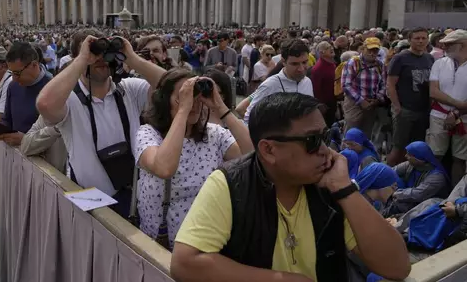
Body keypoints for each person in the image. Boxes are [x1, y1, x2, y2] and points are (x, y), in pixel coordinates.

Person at [171, 93, 410, 282]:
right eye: (312, 141)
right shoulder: (230, 184)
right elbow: (184, 264)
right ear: (269, 150)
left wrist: (346, 190)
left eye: (325, 137)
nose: (325, 150)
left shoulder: (331, 186)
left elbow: (397, 266)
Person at [37, 29, 167, 218]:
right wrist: (82, 60)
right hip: (89, 206)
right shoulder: (69, 101)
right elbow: (44, 103)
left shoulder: (128, 90)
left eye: (103, 53)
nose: (100, 59)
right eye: (92, 53)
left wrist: (132, 58)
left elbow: (172, 88)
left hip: (131, 198)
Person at [135, 69, 250, 248]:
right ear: (165, 101)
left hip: (206, 244)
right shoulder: (149, 134)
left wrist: (221, 108)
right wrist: (183, 111)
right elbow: (164, 168)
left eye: (197, 97)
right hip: (160, 248)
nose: (193, 104)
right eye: (184, 97)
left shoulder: (214, 134)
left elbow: (252, 154)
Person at [386, 27, 434, 166]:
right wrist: (397, 107)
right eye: (417, 38)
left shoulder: (429, 58)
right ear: (410, 40)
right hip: (405, 109)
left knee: (417, 148)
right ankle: (387, 177)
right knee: (399, 148)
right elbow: (391, 84)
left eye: (424, 38)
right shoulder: (400, 58)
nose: (420, 41)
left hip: (423, 110)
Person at [428, 30, 467, 186]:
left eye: (450, 44)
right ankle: (430, 188)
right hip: (439, 115)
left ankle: (453, 194)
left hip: (464, 119)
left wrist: (457, 113)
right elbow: (433, 91)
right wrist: (458, 106)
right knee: (434, 155)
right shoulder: (439, 63)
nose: (444, 46)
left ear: (462, 45)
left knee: (460, 158)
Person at [241, 39, 313, 124]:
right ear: (283, 62)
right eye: (294, 64)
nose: (301, 69)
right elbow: (249, 118)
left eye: (304, 62)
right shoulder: (270, 85)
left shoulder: (307, 82)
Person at [0, 42, 52, 147]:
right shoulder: (13, 86)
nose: (14, 77)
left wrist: (25, 140)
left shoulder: (53, 88)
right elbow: (7, 119)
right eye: (11, 72)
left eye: (17, 73)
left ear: (34, 65)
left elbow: (55, 133)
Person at [386, 141, 450, 217]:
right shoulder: (410, 165)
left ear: (419, 159)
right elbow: (390, 172)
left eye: (409, 155)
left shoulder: (437, 177)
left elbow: (418, 194)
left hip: (426, 206)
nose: (406, 156)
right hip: (409, 198)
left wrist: (395, 193)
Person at [341, 37, 386, 137]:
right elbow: (346, 85)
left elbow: (383, 84)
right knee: (351, 135)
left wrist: (377, 99)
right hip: (354, 104)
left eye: (375, 50)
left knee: (366, 136)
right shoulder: (353, 62)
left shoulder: (380, 64)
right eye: (369, 50)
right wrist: (361, 101)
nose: (372, 53)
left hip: (372, 104)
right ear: (363, 49)